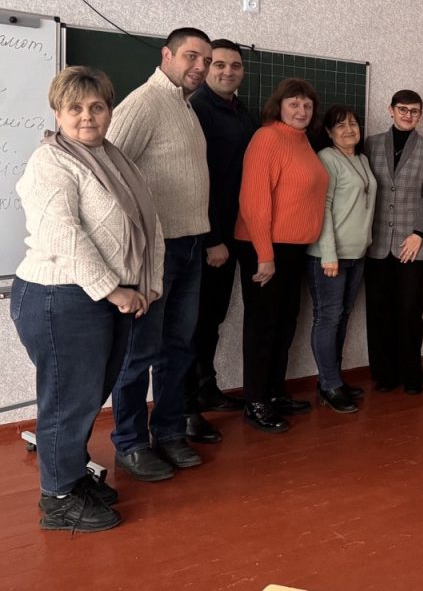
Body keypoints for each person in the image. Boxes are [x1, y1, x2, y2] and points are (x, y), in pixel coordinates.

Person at [12, 67, 163, 531]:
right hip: (59, 297)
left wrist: (149, 284)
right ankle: (58, 499)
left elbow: (149, 225)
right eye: (74, 108)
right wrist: (115, 290)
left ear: (110, 110)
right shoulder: (51, 161)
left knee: (87, 397)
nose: (87, 116)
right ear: (57, 113)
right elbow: (65, 235)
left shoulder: (115, 159)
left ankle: (73, 478)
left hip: (104, 299)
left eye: (97, 106)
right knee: (68, 402)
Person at [107, 27, 212, 481]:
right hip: (153, 253)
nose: (200, 67)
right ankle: (130, 444)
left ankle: (169, 433)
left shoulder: (185, 106)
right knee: (138, 353)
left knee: (177, 349)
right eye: (192, 56)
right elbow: (108, 175)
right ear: (167, 55)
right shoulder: (144, 103)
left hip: (190, 245)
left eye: (206, 60)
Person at [235, 78, 328, 433]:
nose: (301, 111)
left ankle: (274, 392)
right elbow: (254, 200)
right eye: (294, 104)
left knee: (285, 323)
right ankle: (255, 401)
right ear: (279, 106)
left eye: (307, 105)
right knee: (263, 326)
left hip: (293, 250)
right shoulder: (267, 138)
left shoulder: (303, 141)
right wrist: (264, 254)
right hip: (265, 248)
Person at [185, 39, 258, 443]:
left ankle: (206, 387)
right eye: (219, 65)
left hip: (234, 234)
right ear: (207, 68)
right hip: (207, 238)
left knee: (212, 318)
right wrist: (213, 238)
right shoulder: (197, 108)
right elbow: (200, 180)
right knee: (193, 323)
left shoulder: (241, 112)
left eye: (235, 66)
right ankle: (186, 409)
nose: (228, 72)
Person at [363, 90, 423, 394]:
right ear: (391, 110)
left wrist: (419, 233)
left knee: (409, 310)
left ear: (420, 115)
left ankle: (411, 373)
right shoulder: (371, 144)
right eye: (403, 109)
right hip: (377, 243)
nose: (408, 115)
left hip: (412, 244)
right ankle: (384, 373)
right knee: (378, 310)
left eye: (414, 111)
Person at [307, 105, 377, 413]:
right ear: (328, 132)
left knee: (342, 317)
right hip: (329, 257)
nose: (349, 130)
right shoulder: (326, 158)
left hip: (357, 255)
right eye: (340, 126)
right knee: (328, 318)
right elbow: (322, 207)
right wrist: (329, 253)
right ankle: (329, 384)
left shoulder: (362, 159)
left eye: (353, 124)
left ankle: (332, 379)